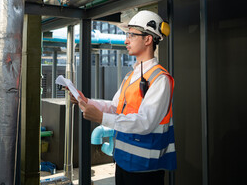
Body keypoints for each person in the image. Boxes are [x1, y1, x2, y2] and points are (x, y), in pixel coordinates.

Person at [70, 10, 176, 185]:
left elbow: (145, 122)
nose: (126, 40)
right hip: (123, 162)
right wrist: (87, 101)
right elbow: (114, 106)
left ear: (148, 39)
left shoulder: (160, 79)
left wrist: (101, 118)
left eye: (132, 35)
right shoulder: (131, 76)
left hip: (145, 170)